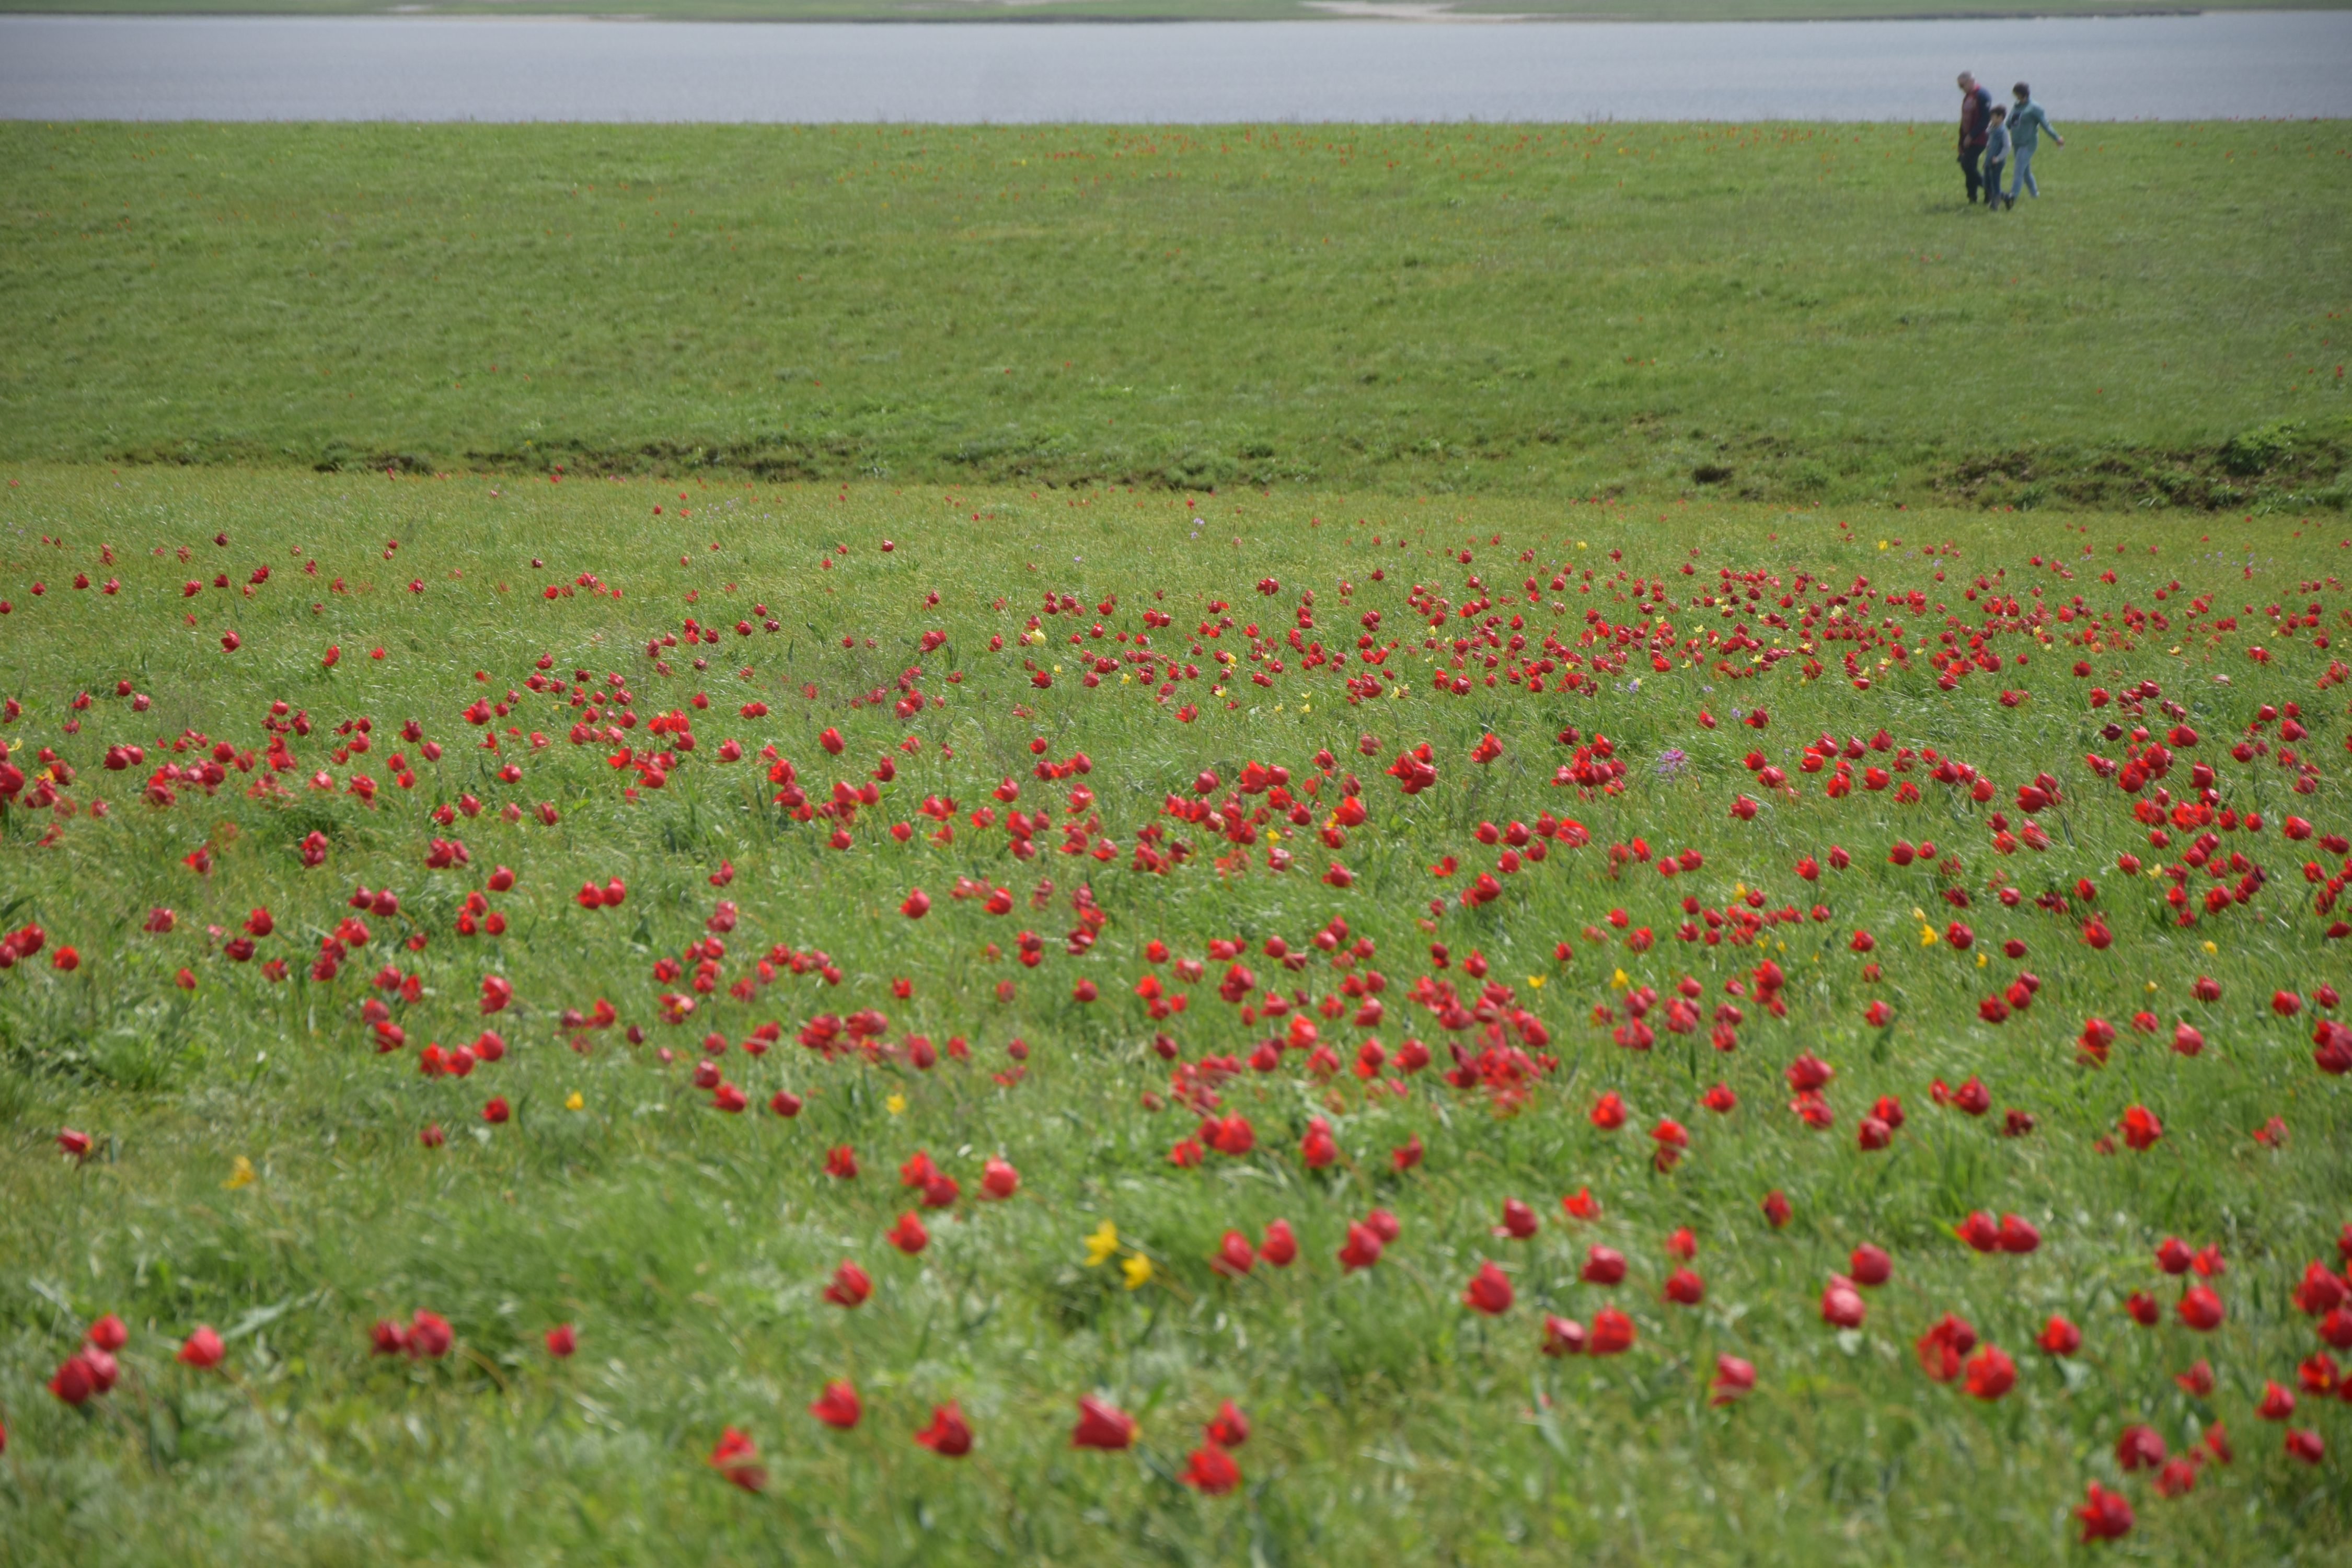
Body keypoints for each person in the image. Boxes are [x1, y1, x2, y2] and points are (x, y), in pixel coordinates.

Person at [2007, 82, 2063, 203]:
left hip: (2028, 143)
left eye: (2017, 94)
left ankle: (2012, 197)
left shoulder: (2034, 108)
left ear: (2023, 94)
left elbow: (2046, 125)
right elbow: (2009, 123)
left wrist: (2057, 138)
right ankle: (2035, 194)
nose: (2016, 97)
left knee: (2019, 170)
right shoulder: (2017, 106)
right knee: (2026, 172)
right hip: (2017, 142)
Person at [1955, 72, 1996, 206]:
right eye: (1959, 86)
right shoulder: (1968, 97)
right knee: (1969, 167)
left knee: (1967, 165)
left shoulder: (1982, 95)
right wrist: (1961, 142)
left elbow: (1985, 119)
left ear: (1971, 81)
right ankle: (1973, 197)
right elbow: (1965, 120)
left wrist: (1972, 136)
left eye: (1962, 85)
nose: (1961, 88)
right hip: (1968, 138)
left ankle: (1990, 189)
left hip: (1980, 138)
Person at [1981, 107, 2012, 211]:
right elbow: (1990, 143)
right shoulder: (1992, 129)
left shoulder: (2003, 131)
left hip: (1997, 162)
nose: (1991, 119)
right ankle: (2007, 197)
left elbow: (2007, 147)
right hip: (1989, 160)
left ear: (2001, 118)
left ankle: (1995, 206)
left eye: (1993, 117)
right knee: (1986, 183)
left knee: (1995, 183)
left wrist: (1998, 158)